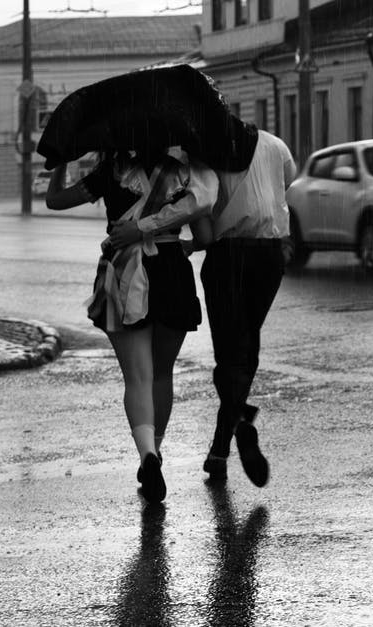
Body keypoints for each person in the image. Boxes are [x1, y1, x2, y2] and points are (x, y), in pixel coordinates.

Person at [46, 148, 218, 503]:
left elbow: (55, 201)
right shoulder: (184, 172)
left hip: (124, 272)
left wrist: (59, 161)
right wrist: (186, 242)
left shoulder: (110, 170)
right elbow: (206, 234)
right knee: (161, 374)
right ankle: (156, 451)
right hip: (172, 272)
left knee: (137, 377)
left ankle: (147, 456)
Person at [199, 128, 296, 487]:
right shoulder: (274, 143)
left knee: (228, 355)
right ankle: (220, 450)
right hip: (269, 253)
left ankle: (239, 420)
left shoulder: (208, 150)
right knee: (247, 347)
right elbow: (290, 181)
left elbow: (200, 203)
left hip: (228, 255)